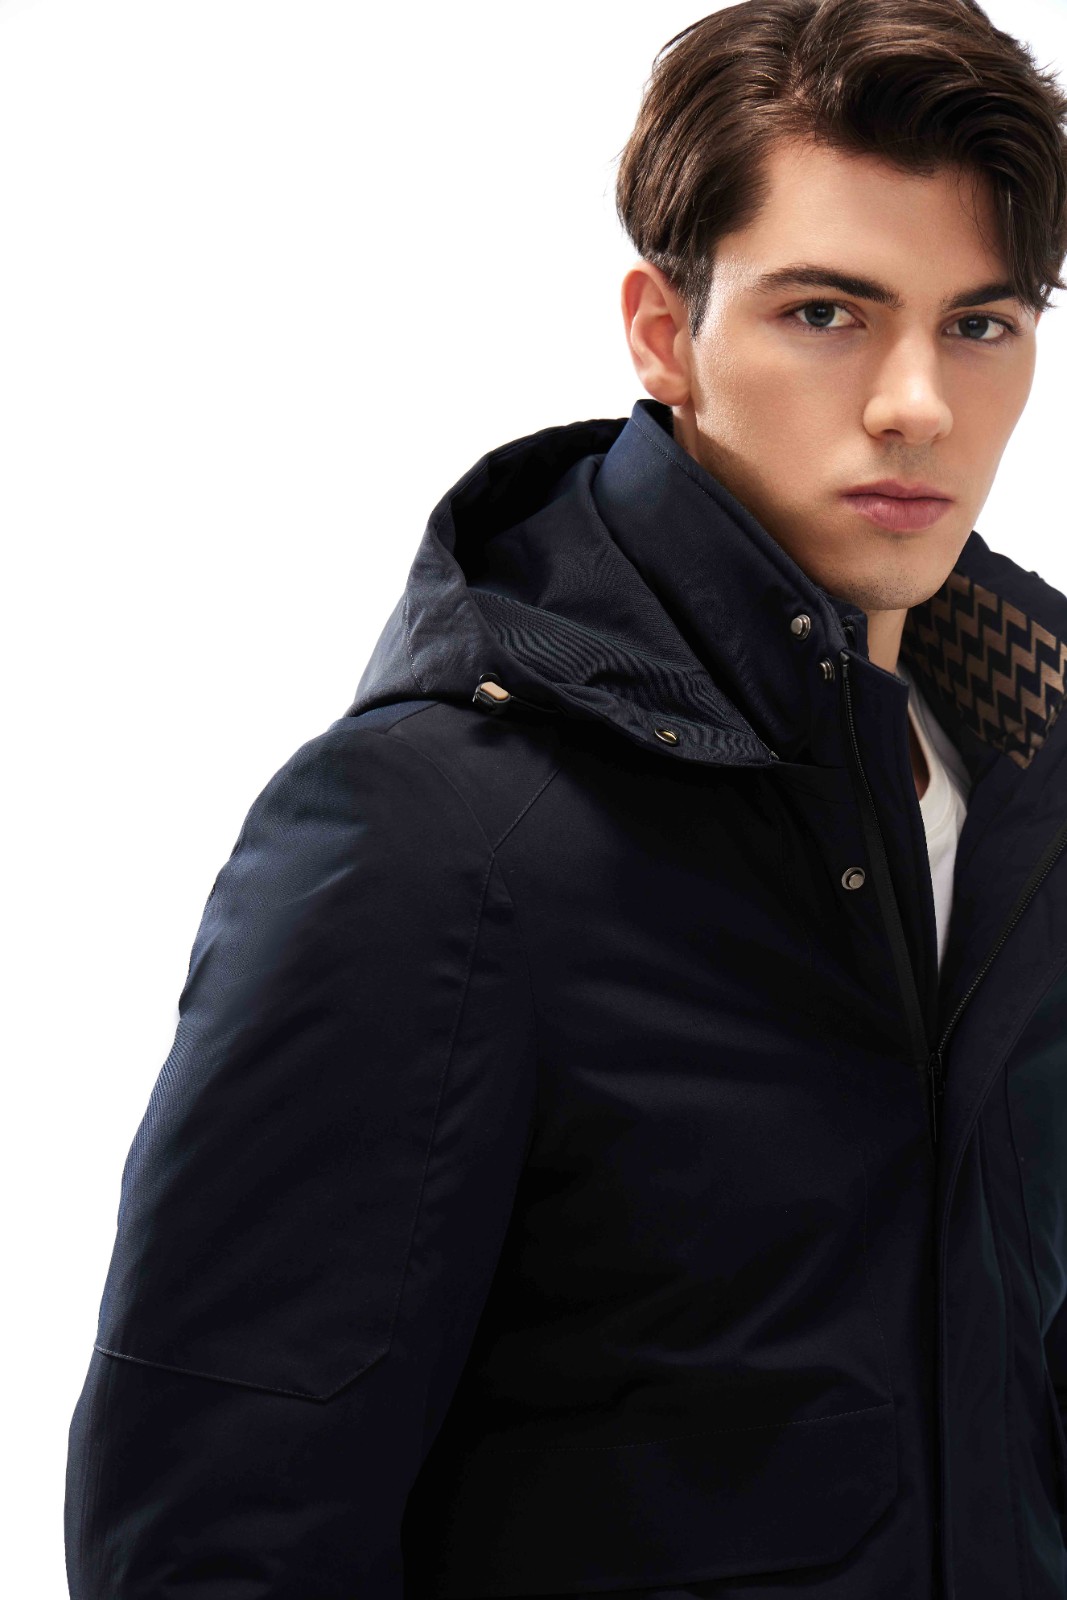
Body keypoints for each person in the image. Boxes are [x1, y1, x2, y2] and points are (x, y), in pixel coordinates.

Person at [64, 1, 1067, 1596]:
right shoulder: (436, 839)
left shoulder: (1027, 798)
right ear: (664, 332)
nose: (916, 404)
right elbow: (214, 1545)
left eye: (981, 325)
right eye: (825, 312)